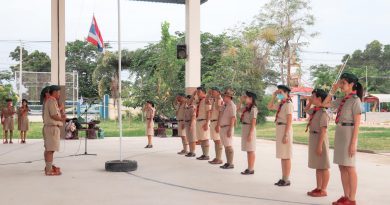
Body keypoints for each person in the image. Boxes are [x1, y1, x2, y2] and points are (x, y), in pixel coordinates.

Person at [321, 73, 363, 205]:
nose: (341, 85)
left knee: (350, 167)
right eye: (341, 83)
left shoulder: (355, 100)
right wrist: (332, 90)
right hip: (340, 132)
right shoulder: (342, 99)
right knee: (342, 167)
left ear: (351, 85)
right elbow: (325, 104)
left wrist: (353, 143)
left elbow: (357, 123)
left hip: (349, 133)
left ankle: (352, 198)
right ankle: (346, 196)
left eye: (343, 83)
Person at [304, 89, 330, 197]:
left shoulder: (323, 112)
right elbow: (306, 110)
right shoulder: (315, 110)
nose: (311, 97)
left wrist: (319, 146)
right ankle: (318, 187)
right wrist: (309, 101)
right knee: (318, 165)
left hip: (320, 139)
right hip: (314, 137)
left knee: (323, 165)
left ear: (319, 98)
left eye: (313, 96)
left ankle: (323, 189)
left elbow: (323, 130)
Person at [267, 85, 293, 186]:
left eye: (281, 93)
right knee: (283, 155)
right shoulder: (281, 103)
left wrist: (286, 134)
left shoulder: (288, 104)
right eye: (279, 93)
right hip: (280, 129)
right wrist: (274, 96)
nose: (279, 95)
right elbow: (269, 107)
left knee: (286, 155)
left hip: (285, 129)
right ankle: (283, 177)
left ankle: (286, 179)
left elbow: (290, 120)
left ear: (286, 93)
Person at [43, 85, 66, 176]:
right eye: (59, 92)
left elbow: (54, 113)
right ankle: (49, 170)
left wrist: (60, 110)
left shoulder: (51, 101)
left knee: (49, 149)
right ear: (55, 92)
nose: (59, 94)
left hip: (50, 128)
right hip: (52, 128)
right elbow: (53, 115)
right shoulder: (52, 100)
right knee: (50, 150)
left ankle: (48, 167)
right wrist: (62, 119)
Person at [238, 91, 258, 175]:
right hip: (245, 128)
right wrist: (240, 101)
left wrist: (250, 134)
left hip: (250, 129)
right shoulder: (246, 107)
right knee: (248, 150)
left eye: (246, 97)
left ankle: (251, 169)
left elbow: (253, 122)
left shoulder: (253, 108)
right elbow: (238, 109)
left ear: (251, 98)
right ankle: (249, 167)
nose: (245, 98)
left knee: (251, 150)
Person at [217, 88, 236, 169]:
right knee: (225, 145)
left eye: (224, 96)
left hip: (228, 127)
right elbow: (219, 111)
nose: (223, 97)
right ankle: (228, 162)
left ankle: (230, 163)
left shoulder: (232, 105)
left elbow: (233, 118)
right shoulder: (225, 105)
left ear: (229, 97)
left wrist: (230, 129)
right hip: (223, 127)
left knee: (228, 146)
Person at [194, 86, 212, 160]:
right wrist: (193, 94)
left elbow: (209, 112)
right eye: (197, 92)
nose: (197, 93)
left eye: (199, 92)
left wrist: (207, 123)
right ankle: (204, 154)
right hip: (199, 121)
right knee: (201, 139)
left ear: (204, 92)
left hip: (204, 121)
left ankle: (206, 155)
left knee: (205, 138)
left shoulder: (206, 100)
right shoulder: (200, 101)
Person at [208, 87, 224, 165]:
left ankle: (219, 158)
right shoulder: (214, 100)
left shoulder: (220, 100)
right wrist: (209, 94)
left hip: (217, 122)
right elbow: (206, 102)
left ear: (218, 92)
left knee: (218, 141)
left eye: (214, 92)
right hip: (213, 121)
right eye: (212, 92)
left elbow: (220, 112)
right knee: (215, 141)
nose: (212, 93)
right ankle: (217, 157)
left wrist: (218, 125)